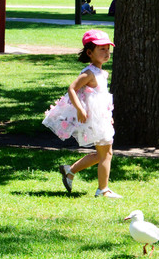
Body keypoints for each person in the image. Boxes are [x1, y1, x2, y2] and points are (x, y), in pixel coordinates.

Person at [42, 29, 121, 198]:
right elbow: (72, 89)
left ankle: (70, 171)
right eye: (102, 49)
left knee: (102, 154)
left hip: (101, 117)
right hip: (94, 118)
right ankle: (103, 190)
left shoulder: (101, 72)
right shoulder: (89, 72)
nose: (107, 53)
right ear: (89, 53)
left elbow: (101, 97)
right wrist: (80, 109)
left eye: (108, 49)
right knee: (106, 153)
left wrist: (109, 115)